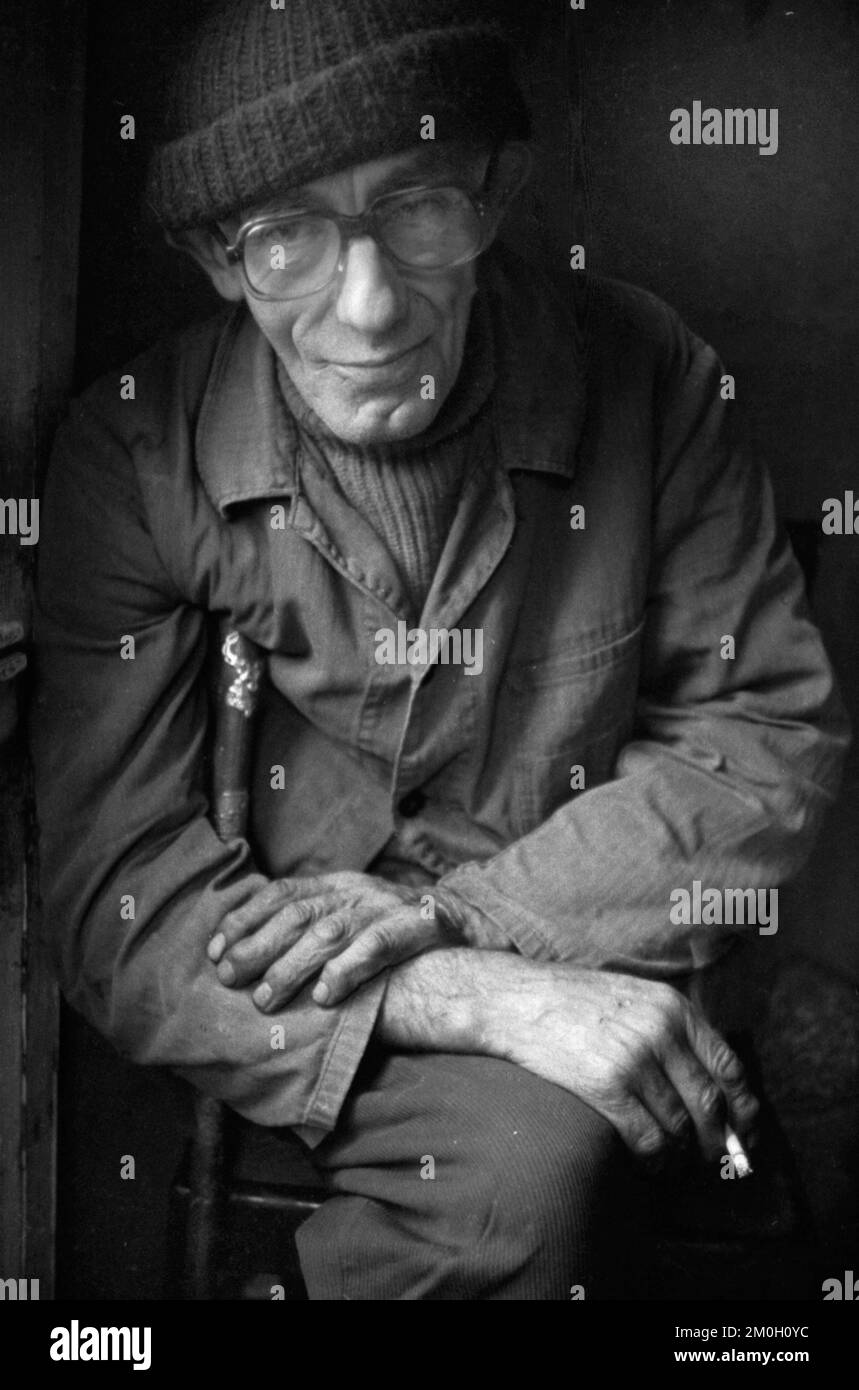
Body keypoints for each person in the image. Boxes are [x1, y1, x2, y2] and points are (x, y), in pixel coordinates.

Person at [31, 0, 848, 1299]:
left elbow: (762, 740)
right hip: (308, 997)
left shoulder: (650, 371)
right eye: (287, 234)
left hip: (594, 935)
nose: (368, 309)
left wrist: (453, 918)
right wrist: (461, 990)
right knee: (517, 1183)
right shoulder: (129, 454)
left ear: (498, 186)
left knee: (559, 1165)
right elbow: (112, 897)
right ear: (213, 256)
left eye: (416, 206)